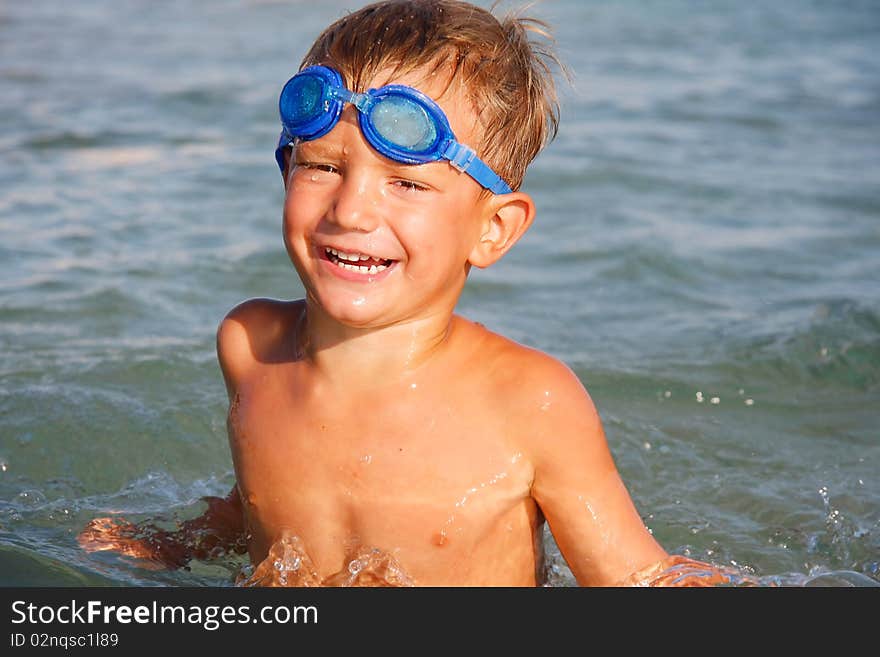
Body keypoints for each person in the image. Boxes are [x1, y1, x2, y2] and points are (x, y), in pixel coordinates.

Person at [79, 0, 739, 587]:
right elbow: (258, 507)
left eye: (407, 184)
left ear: (492, 229)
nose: (353, 210)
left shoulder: (529, 403)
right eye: (323, 167)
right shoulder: (251, 349)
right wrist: (176, 542)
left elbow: (638, 578)